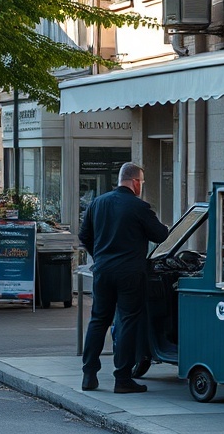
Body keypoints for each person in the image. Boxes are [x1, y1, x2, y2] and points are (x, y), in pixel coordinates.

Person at [79, 162, 169, 394]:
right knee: (128, 321)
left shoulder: (97, 203)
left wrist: (98, 256)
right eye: (142, 183)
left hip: (103, 271)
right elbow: (160, 235)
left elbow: (84, 235)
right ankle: (122, 378)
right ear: (135, 182)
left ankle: (89, 374)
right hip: (130, 273)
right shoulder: (139, 207)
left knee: (98, 320)